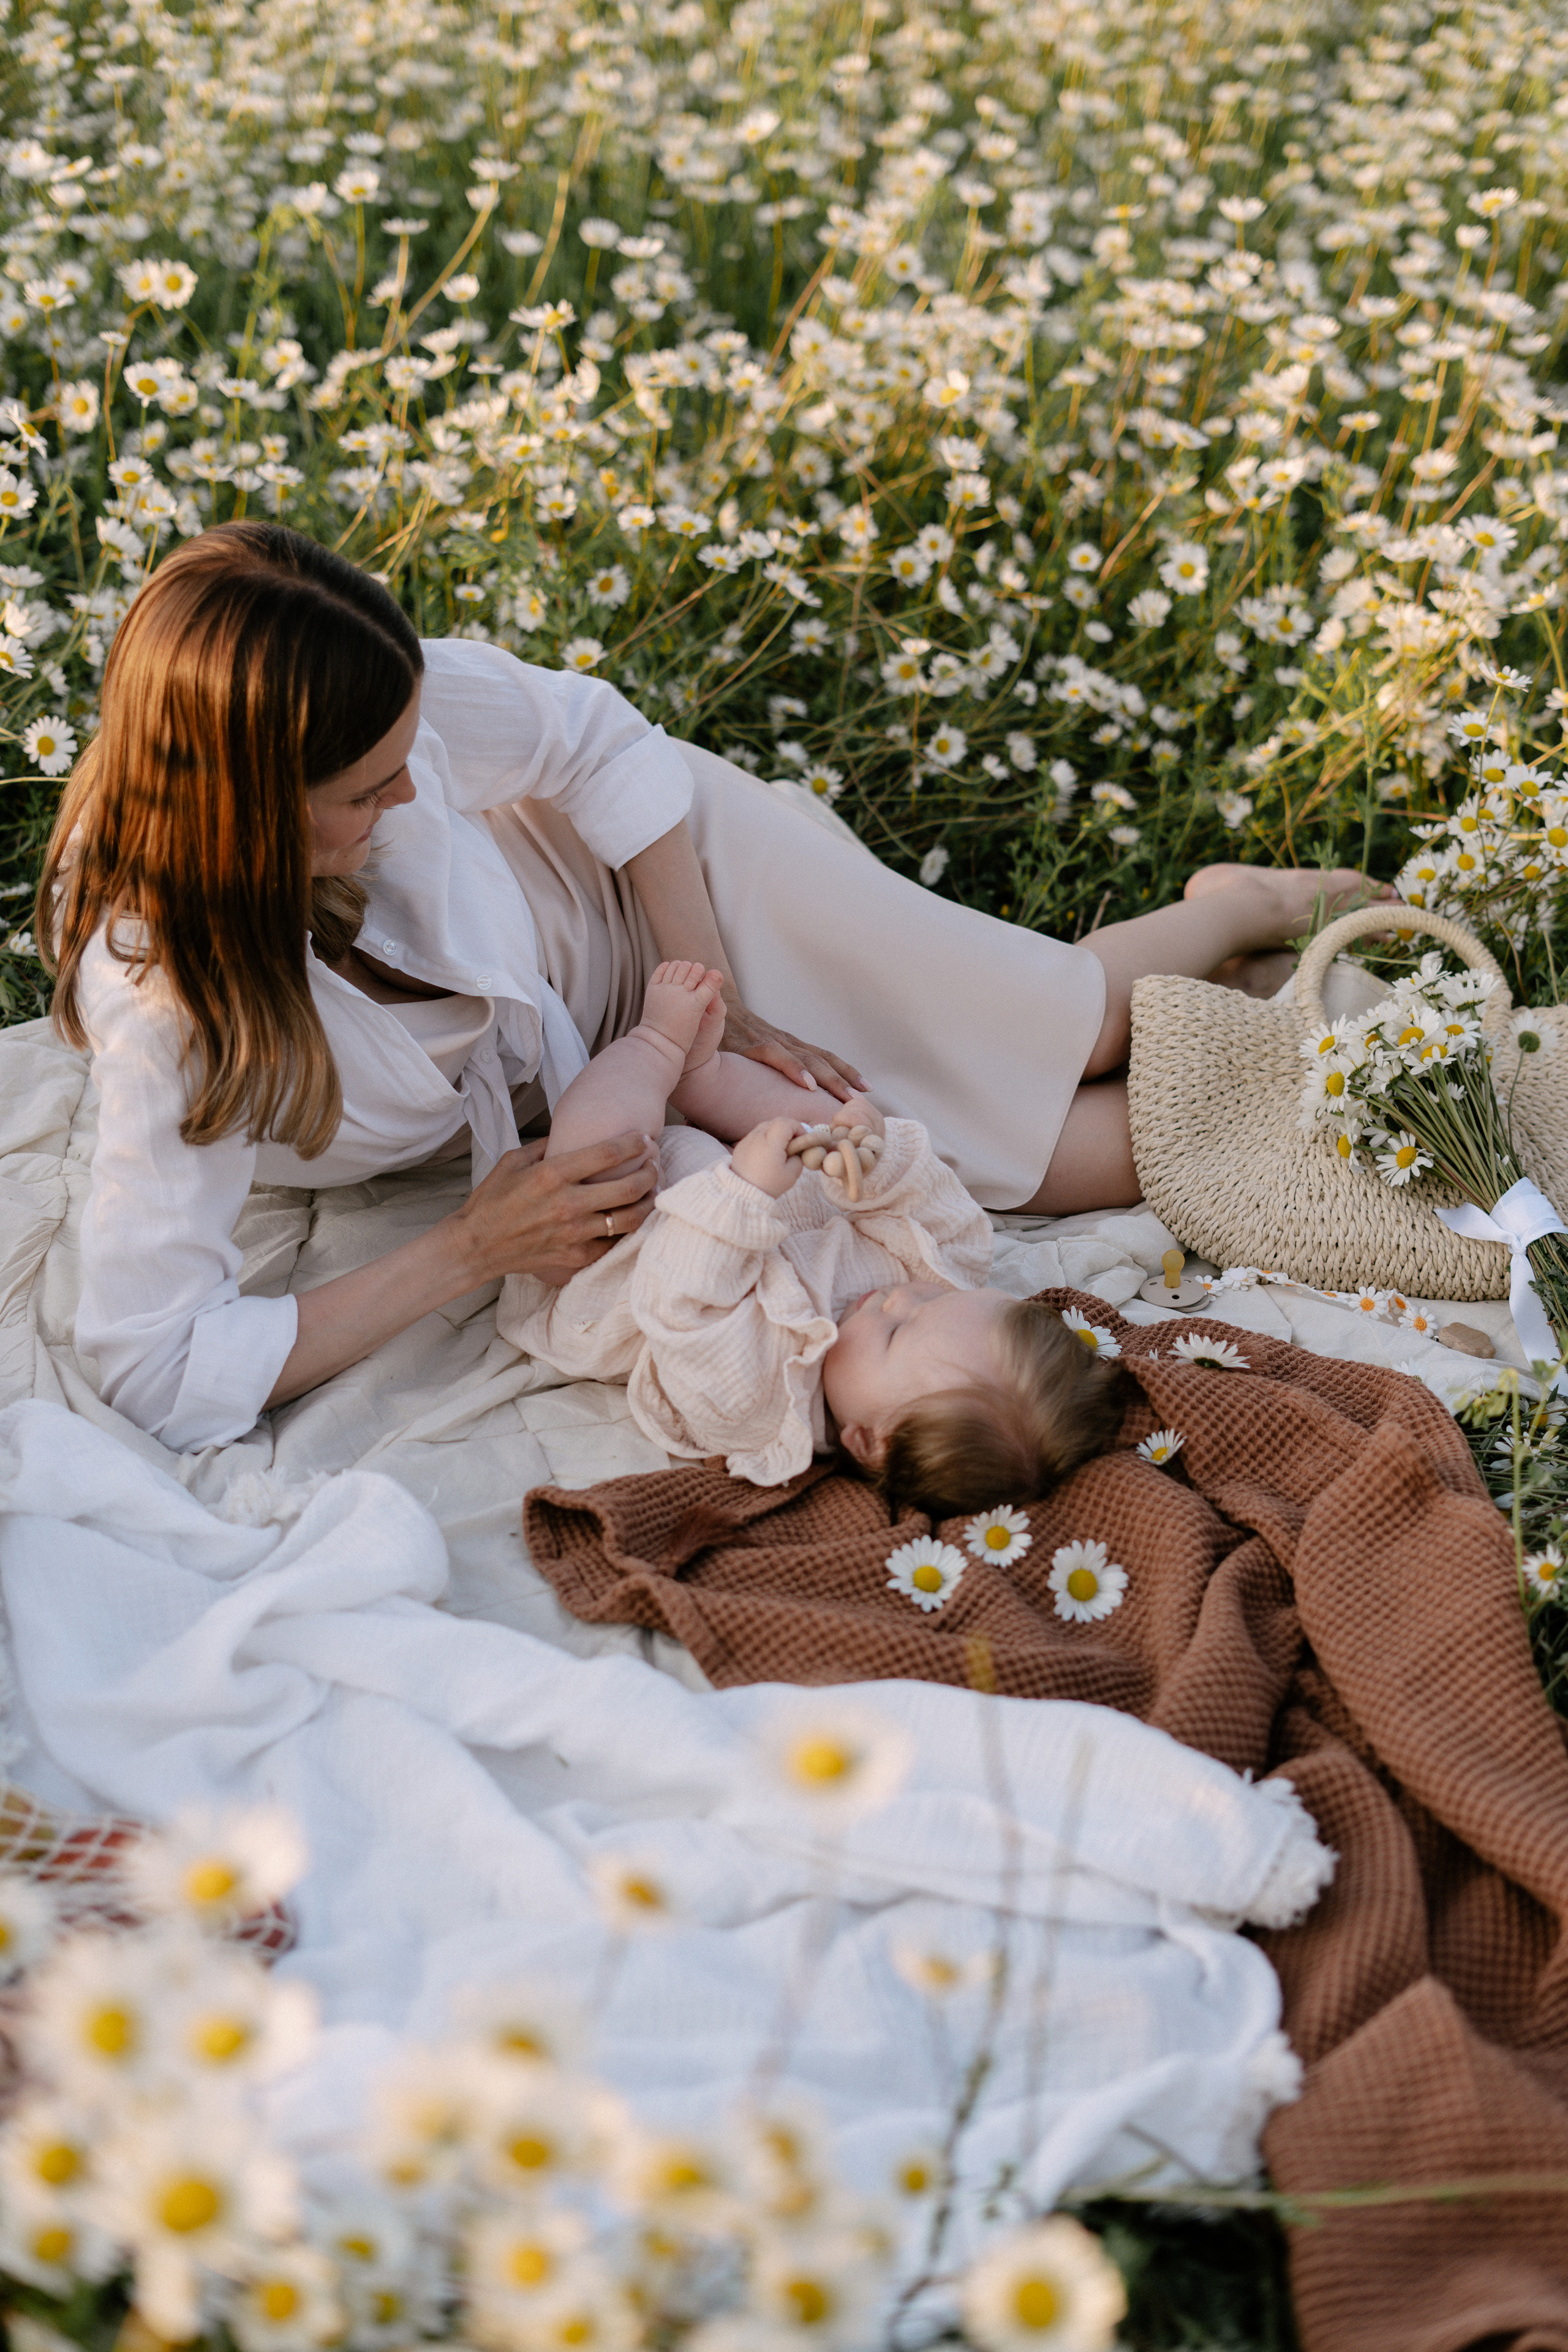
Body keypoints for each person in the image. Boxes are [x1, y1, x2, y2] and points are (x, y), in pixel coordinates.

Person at [39, 521, 1388, 1453]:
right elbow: (150, 1365)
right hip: (628, 1056)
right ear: (245, 810)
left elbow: (594, 737)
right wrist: (467, 1249)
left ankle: (1239, 907)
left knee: (1071, 1031)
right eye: (364, 791)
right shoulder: (174, 1013)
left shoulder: (383, 700)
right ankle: (1271, 1008)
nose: (411, 791)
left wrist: (722, 995)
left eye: (406, 757)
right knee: (1074, 1162)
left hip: (667, 904)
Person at [498, 960, 1124, 1510]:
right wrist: (876, 1161)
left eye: (897, 1330)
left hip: (618, 1253)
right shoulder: (929, 1298)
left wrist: (744, 1191)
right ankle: (704, 1077)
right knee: (823, 1127)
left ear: (867, 1441)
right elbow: (946, 1222)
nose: (899, 1297)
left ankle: (657, 1045)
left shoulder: (753, 1407)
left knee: (602, 1162)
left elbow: (681, 1299)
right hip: (755, 1187)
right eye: (936, 1302)